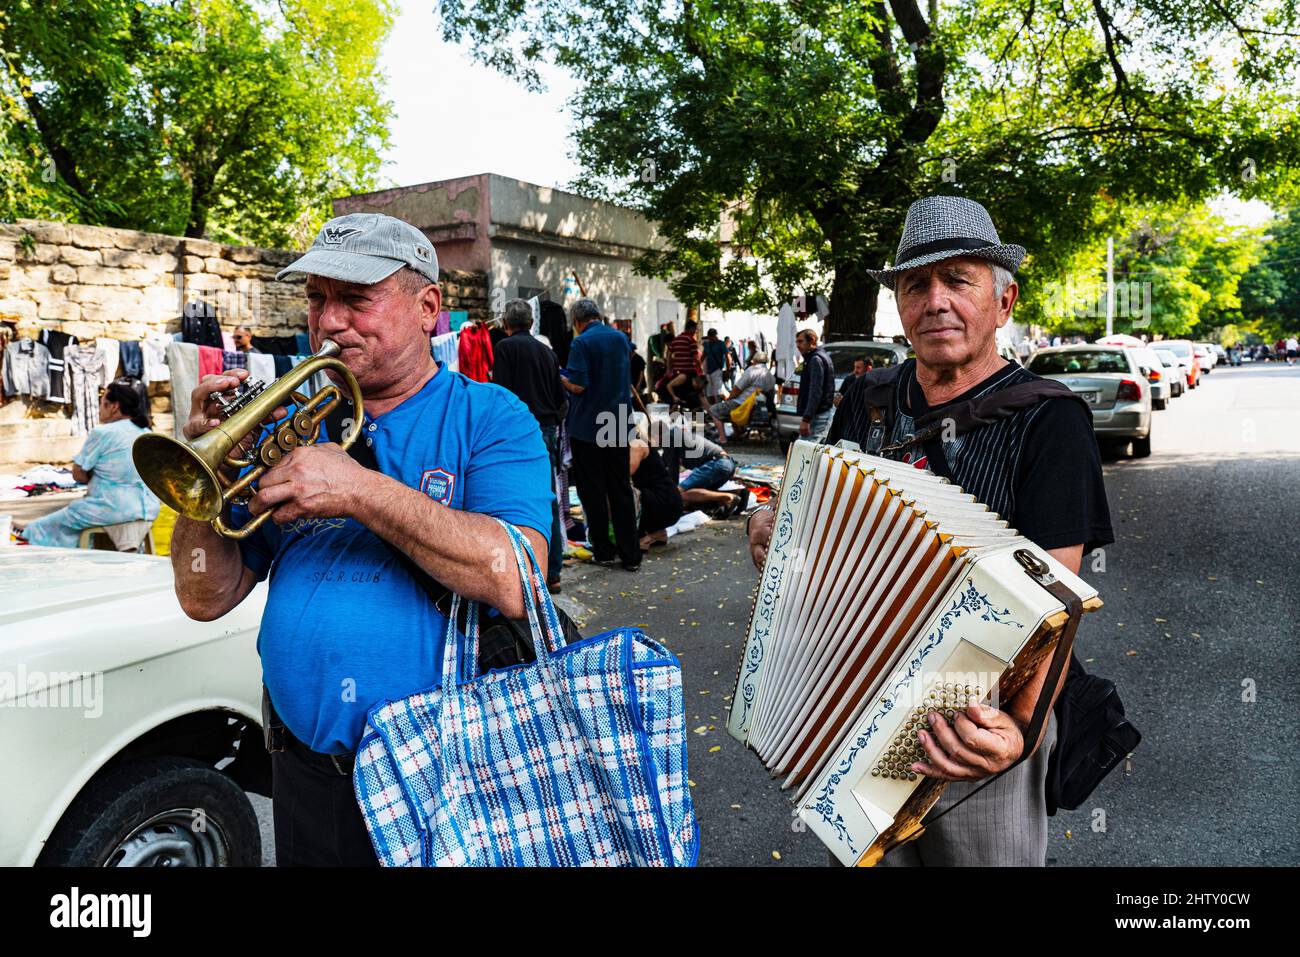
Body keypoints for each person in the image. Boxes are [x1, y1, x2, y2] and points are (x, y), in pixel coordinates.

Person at [168, 212, 554, 867]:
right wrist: (203, 476)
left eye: (355, 298)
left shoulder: (490, 416)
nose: (328, 320)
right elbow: (205, 595)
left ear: (428, 307)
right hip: (304, 773)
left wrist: (361, 491)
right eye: (317, 299)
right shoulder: (289, 425)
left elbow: (516, 575)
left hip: (444, 775)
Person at [747, 195, 1113, 867]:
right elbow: (818, 504)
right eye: (917, 284)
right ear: (900, 305)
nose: (936, 300)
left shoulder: (1051, 421)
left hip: (975, 714)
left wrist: (1022, 731)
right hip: (851, 692)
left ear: (1003, 304)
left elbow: (1059, 601)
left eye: (958, 280)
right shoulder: (868, 398)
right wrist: (772, 519)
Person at [18, 378, 160, 548]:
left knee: (47, 525)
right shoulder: (145, 432)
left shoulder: (103, 432)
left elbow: (78, 473)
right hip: (149, 508)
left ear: (114, 407)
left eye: (102, 404)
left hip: (112, 509)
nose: (99, 410)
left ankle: (27, 537)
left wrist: (95, 476)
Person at [491, 298, 568, 593]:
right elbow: (562, 401)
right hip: (546, 429)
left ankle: (525, 570)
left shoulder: (505, 348)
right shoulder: (547, 352)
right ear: (532, 323)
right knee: (547, 498)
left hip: (517, 431)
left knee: (513, 502)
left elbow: (501, 393)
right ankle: (553, 572)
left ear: (506, 324)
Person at [561, 298, 641, 571]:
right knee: (620, 489)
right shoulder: (620, 337)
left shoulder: (580, 343)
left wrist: (560, 378)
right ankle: (631, 555)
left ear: (577, 320)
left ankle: (604, 552)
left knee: (593, 491)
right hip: (618, 421)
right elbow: (630, 354)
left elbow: (579, 386)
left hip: (588, 427)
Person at [661, 416, 744, 517]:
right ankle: (739, 494)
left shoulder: (669, 437)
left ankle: (728, 497)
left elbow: (673, 472)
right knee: (697, 494)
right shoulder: (677, 436)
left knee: (679, 493)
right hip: (726, 463)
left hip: (716, 464)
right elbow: (663, 463)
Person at [629, 416, 684, 551]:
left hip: (664, 504)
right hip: (670, 504)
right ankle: (657, 532)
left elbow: (625, 473)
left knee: (620, 490)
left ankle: (641, 537)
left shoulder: (637, 444)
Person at [706, 350, 776, 442]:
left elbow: (737, 389)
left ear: (755, 360)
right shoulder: (770, 376)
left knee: (713, 410)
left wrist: (729, 398)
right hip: (758, 405)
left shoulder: (752, 370)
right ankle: (737, 433)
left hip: (743, 403)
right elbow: (771, 394)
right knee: (731, 407)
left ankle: (722, 438)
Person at [794, 328, 835, 441]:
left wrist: (806, 418)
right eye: (796, 342)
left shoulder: (816, 359)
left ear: (812, 340)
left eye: (801, 341)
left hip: (818, 416)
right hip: (817, 414)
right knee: (806, 450)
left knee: (807, 452)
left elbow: (815, 391)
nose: (798, 345)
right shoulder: (816, 357)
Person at [663, 320, 703, 403]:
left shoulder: (676, 339)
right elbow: (696, 358)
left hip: (677, 373)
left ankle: (684, 414)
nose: (695, 332)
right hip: (689, 374)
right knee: (697, 399)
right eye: (695, 329)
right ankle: (699, 415)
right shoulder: (691, 340)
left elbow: (669, 355)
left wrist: (669, 369)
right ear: (691, 329)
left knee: (683, 399)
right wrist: (701, 371)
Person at [702, 328, 727, 404]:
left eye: (714, 336)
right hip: (708, 371)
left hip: (717, 370)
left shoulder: (721, 344)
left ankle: (718, 407)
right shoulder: (706, 344)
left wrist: (728, 370)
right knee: (709, 392)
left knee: (718, 391)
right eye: (711, 336)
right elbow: (703, 356)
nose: (713, 338)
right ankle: (711, 409)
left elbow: (728, 357)